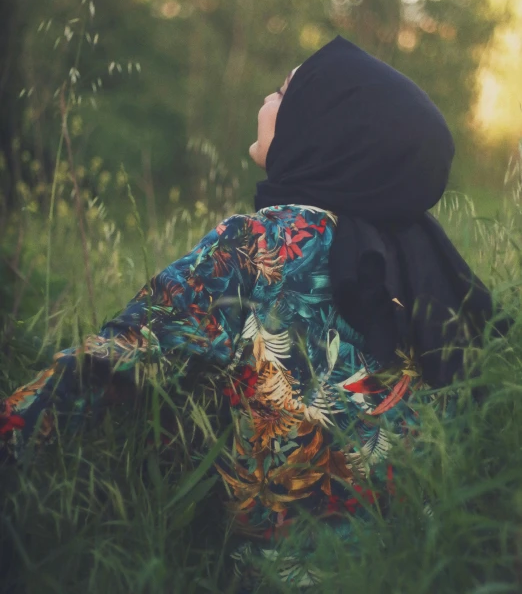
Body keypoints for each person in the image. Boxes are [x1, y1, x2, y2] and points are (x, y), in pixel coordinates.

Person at [0, 36, 506, 588]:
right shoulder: (428, 268)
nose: (267, 99)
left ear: (320, 126)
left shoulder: (259, 244)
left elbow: (110, 360)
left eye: (285, 91)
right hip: (421, 572)